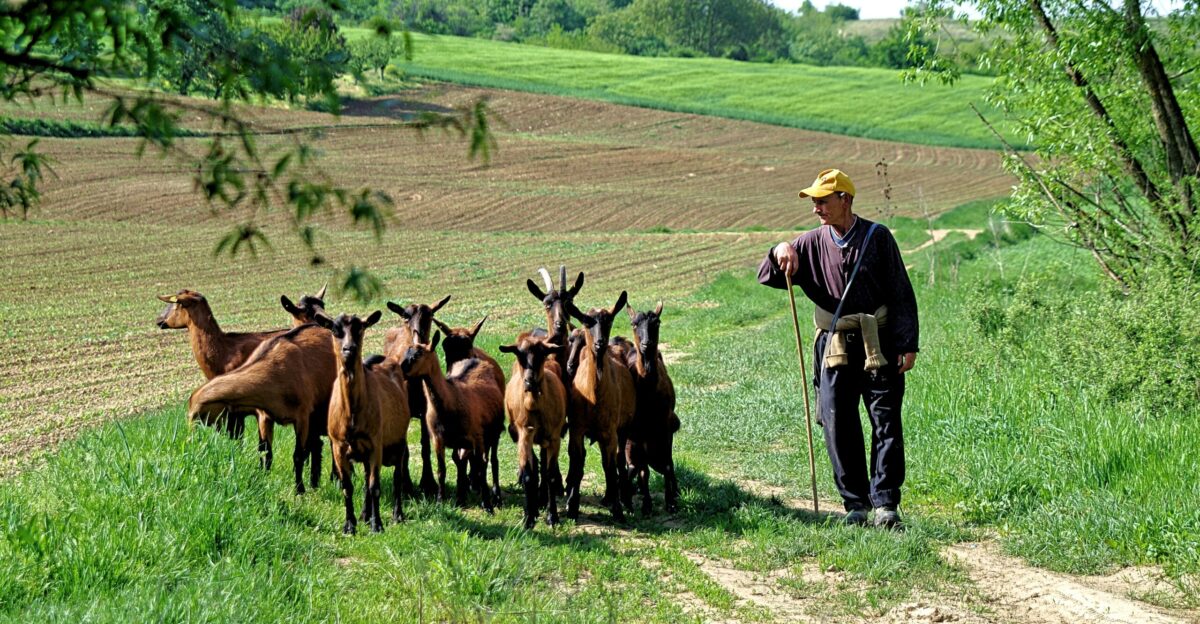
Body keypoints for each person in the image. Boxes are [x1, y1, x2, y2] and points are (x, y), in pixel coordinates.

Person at [758, 168, 918, 528]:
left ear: (845, 199)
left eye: (823, 201)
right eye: (814, 202)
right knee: (837, 423)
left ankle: (885, 505)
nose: (817, 208)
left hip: (879, 342)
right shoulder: (810, 243)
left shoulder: (878, 238)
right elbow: (769, 275)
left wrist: (907, 343)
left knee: (885, 422)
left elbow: (901, 292)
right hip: (834, 347)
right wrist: (778, 249)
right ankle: (855, 505)